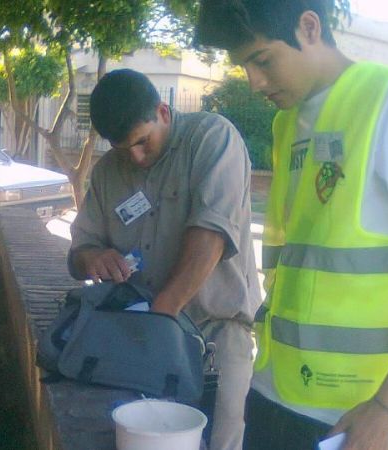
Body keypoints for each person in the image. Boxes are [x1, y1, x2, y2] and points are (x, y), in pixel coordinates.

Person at [195, 2, 388, 449]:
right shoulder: (289, 122)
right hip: (273, 392)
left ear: (309, 27)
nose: (254, 82)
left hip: (350, 419)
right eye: (243, 65)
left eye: (262, 60)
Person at [68, 68, 262, 450]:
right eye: (124, 149)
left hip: (216, 338)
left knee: (221, 442)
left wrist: (163, 313)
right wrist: (93, 257)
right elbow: (77, 254)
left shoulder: (212, 138)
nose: (136, 158)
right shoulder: (108, 172)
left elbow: (211, 234)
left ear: (164, 113)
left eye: (143, 142)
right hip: (140, 338)